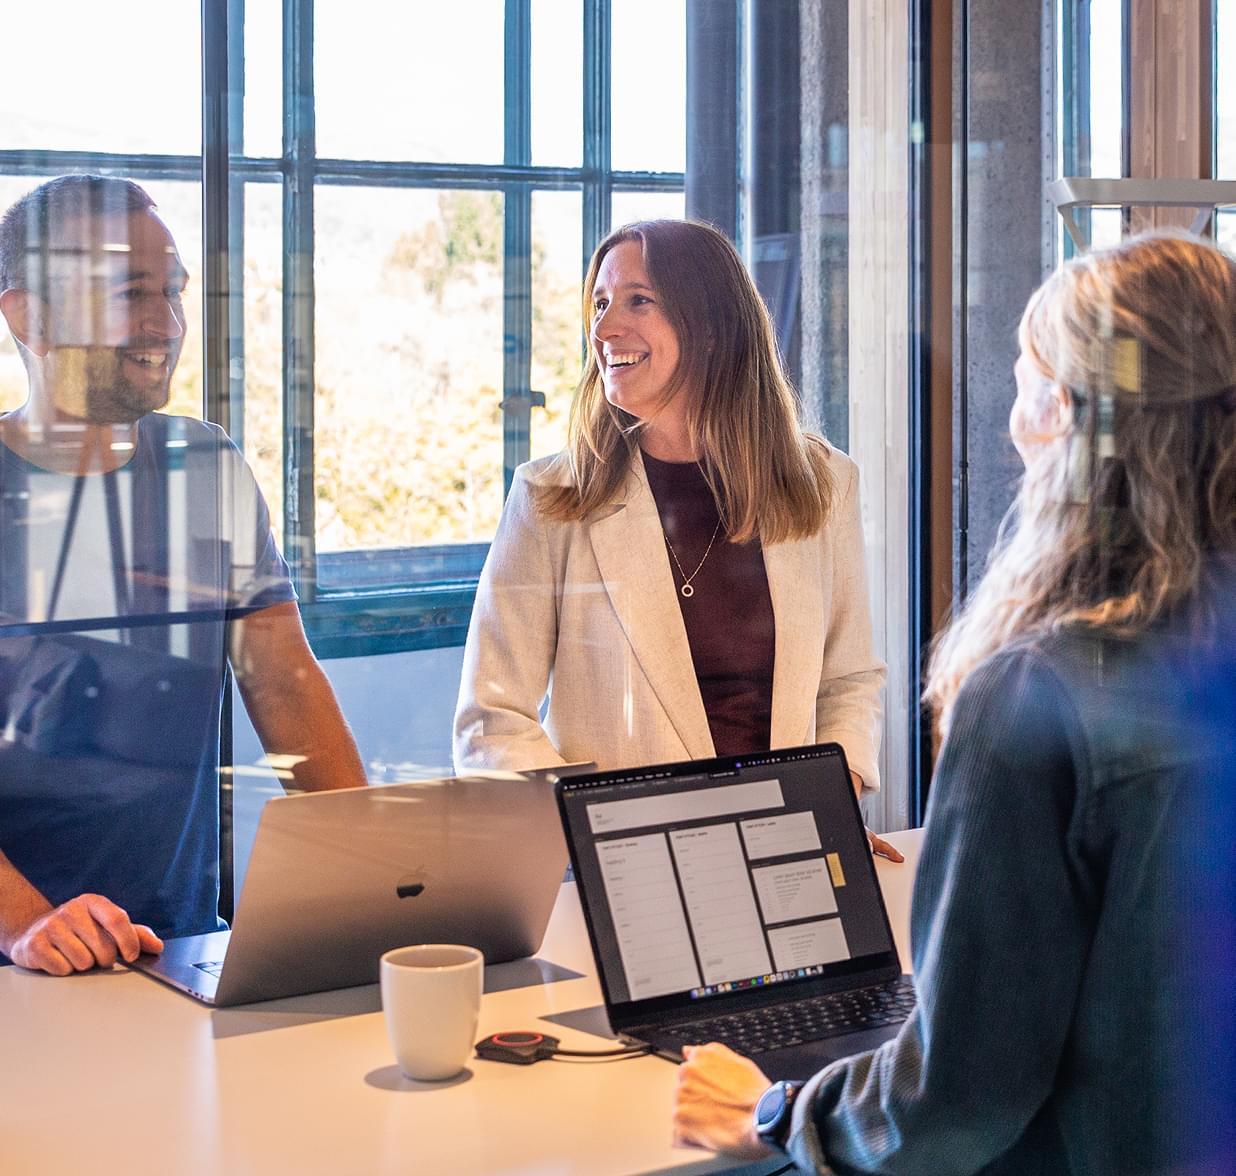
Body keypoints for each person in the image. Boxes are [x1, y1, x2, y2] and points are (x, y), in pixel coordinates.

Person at [672, 230, 1236, 1173]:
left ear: (1061, 411)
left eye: (1024, 380)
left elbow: (960, 1096)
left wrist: (775, 1114)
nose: (1013, 417)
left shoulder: (1038, 693)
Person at [0, 175, 367, 976]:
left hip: (178, 949)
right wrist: (26, 924)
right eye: (132, 293)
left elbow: (285, 683)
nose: (165, 324)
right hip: (18, 967)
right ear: (28, 314)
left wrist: (379, 872)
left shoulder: (207, 465)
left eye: (173, 293)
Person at [454, 218, 900, 861]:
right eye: (601, 303)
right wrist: (596, 835)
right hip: (624, 870)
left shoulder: (824, 482)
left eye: (639, 299)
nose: (605, 329)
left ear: (713, 324)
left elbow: (849, 677)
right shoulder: (551, 498)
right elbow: (491, 718)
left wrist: (830, 806)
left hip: (786, 852)